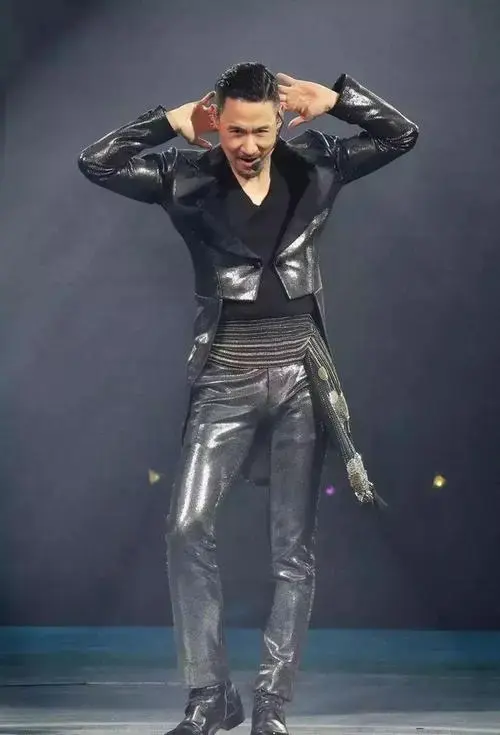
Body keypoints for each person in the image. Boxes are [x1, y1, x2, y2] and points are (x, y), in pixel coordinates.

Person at [78, 62, 418, 735]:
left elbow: (401, 135)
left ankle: (270, 705)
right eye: (236, 131)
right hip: (224, 376)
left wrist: (341, 100)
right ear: (217, 120)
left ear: (280, 121)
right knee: (185, 527)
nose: (250, 145)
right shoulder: (184, 176)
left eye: (262, 131)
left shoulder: (316, 164)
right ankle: (211, 697)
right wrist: (169, 122)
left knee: (292, 551)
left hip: (300, 377)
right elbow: (97, 162)